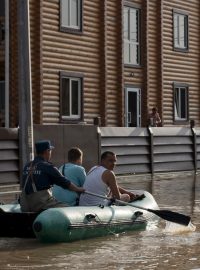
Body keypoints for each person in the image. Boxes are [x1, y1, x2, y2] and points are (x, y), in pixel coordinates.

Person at [20, 140, 85, 212]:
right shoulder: (47, 166)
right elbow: (64, 182)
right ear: (47, 151)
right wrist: (79, 189)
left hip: (26, 205)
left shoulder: (27, 166)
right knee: (68, 210)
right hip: (42, 204)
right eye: (50, 150)